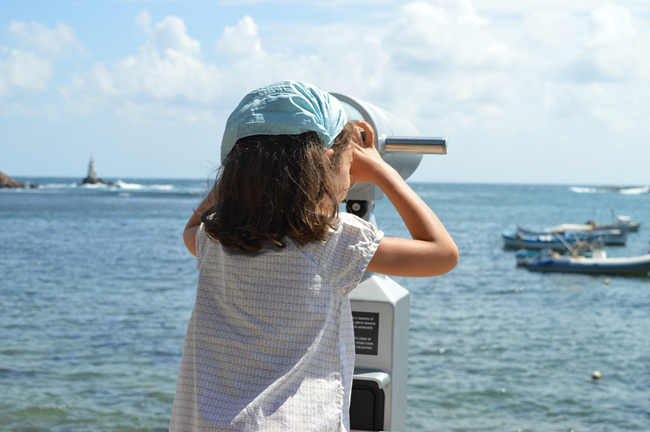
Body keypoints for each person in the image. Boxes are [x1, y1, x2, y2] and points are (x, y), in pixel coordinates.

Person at [170, 81, 458, 432]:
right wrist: (383, 171)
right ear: (326, 162)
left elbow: (192, 225)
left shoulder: (214, 239)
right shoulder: (334, 242)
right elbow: (442, 254)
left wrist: (243, 175)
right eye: (350, 163)